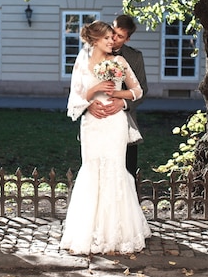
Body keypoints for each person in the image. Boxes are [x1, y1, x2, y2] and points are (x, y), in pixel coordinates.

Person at [61, 20, 151, 255]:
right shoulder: (82, 62)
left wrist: (119, 97)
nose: (113, 41)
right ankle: (88, 231)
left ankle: (119, 232)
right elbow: (75, 98)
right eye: (108, 38)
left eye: (114, 38)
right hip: (92, 124)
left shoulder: (119, 61)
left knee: (115, 170)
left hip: (114, 123)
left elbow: (138, 91)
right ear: (95, 40)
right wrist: (90, 100)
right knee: (91, 170)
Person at [86, 15, 148, 178]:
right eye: (113, 31)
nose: (113, 38)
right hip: (96, 121)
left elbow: (142, 90)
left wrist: (123, 103)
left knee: (126, 174)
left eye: (120, 36)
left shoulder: (134, 57)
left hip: (124, 123)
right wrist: (88, 104)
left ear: (127, 39)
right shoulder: (90, 53)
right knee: (96, 173)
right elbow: (79, 88)